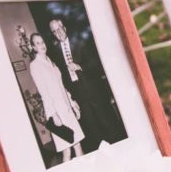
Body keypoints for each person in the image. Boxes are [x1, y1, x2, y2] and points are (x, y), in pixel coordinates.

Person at [48, 19, 127, 153]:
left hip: (94, 90)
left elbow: (96, 64)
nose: (58, 33)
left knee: (107, 122)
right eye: (55, 31)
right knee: (93, 128)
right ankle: (104, 156)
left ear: (65, 28)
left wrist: (79, 66)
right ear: (53, 34)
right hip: (78, 95)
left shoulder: (80, 42)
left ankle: (121, 150)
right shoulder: (55, 52)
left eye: (60, 28)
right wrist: (71, 99)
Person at [29, 33, 85, 163]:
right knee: (67, 151)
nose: (42, 45)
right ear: (33, 47)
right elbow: (44, 92)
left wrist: (72, 102)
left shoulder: (50, 61)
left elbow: (61, 86)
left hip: (66, 109)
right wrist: (54, 115)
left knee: (77, 144)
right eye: (37, 43)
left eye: (42, 42)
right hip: (57, 112)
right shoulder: (35, 65)